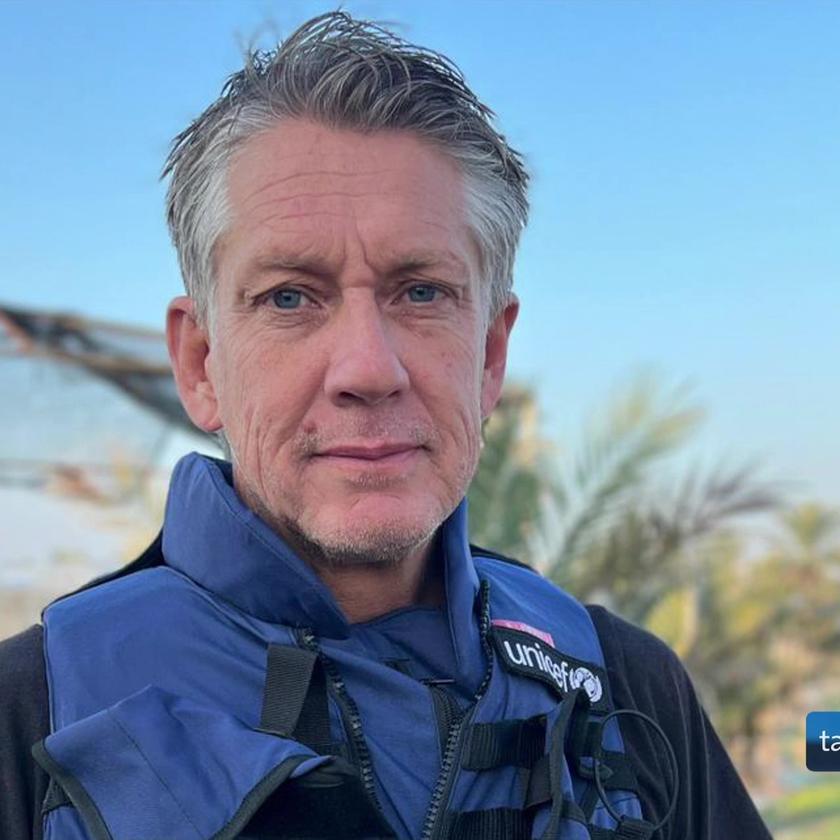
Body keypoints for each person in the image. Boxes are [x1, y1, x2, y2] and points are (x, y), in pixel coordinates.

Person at [0, 12, 771, 840]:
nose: (368, 369)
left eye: (422, 292)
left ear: (490, 356)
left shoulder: (625, 687)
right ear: (200, 364)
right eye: (290, 297)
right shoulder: (32, 718)